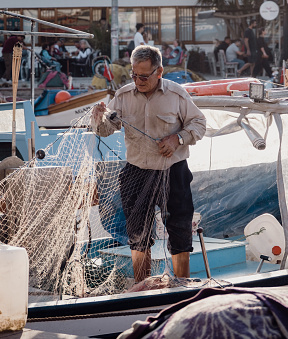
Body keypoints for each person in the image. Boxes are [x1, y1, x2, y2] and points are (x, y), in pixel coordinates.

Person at [90, 45, 206, 282]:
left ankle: (182, 284)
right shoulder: (123, 96)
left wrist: (178, 138)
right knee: (137, 232)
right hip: (137, 172)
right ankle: (142, 285)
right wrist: (98, 120)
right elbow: (106, 130)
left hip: (174, 171)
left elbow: (199, 124)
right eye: (134, 75)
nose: (138, 80)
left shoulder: (177, 95)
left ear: (159, 71)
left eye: (144, 76)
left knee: (180, 230)